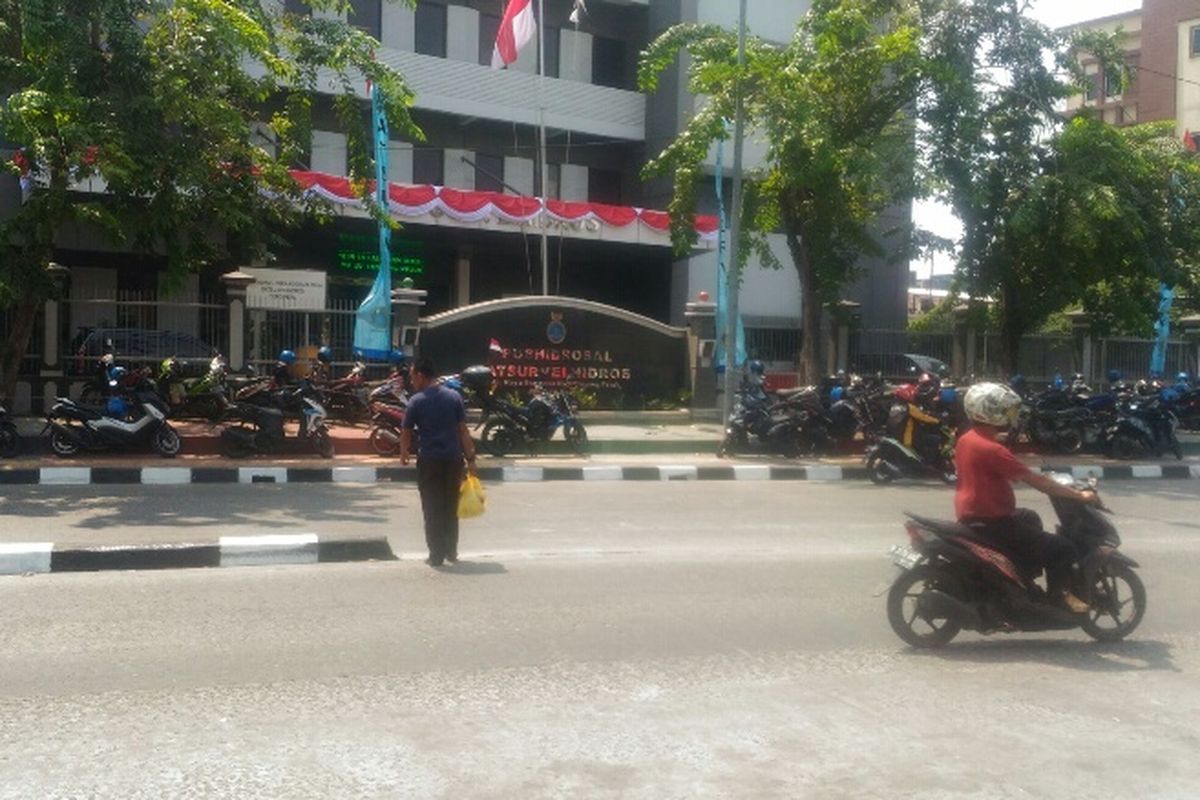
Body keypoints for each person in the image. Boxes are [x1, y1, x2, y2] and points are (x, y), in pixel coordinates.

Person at [956, 382, 1099, 614]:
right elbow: (1037, 482)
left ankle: (1021, 579)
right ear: (990, 412)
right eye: (1006, 410)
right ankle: (1059, 596)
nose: (1011, 415)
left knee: (1030, 517)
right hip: (993, 522)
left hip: (974, 514)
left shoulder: (968, 439)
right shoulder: (992, 450)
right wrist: (1078, 495)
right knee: (1062, 548)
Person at [400, 357, 478, 567]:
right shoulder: (454, 397)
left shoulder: (417, 401)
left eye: (412, 376)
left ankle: (436, 554)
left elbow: (406, 432)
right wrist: (471, 459)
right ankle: (451, 551)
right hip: (454, 460)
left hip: (429, 462)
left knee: (432, 507)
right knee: (451, 507)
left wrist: (404, 453)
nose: (412, 381)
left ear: (421, 376)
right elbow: (463, 431)